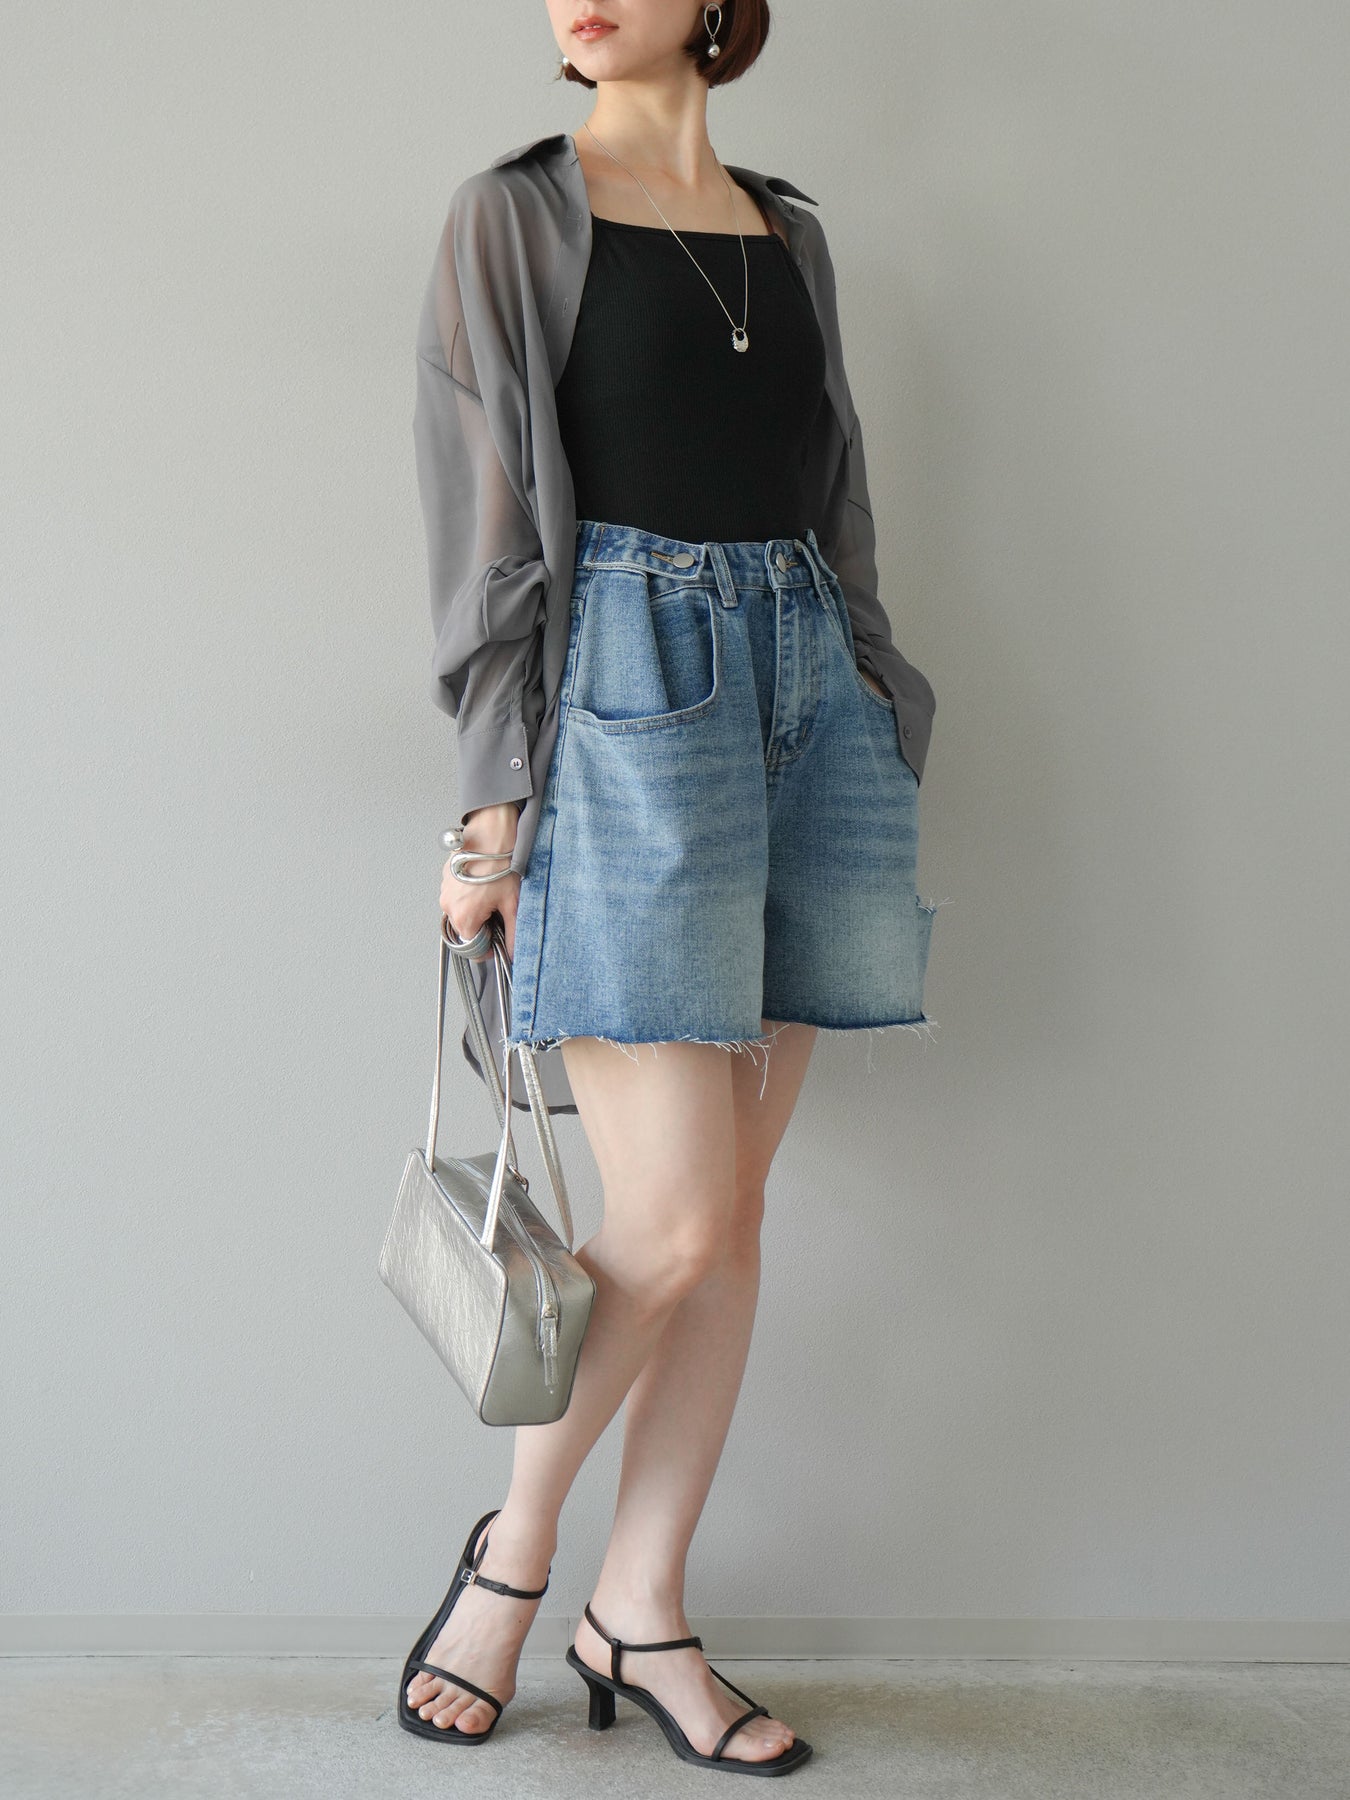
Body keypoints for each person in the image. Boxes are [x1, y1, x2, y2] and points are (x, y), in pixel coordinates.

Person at [401, 0, 938, 1776]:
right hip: (625, 701)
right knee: (680, 1217)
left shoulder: (790, 233)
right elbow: (484, 519)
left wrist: (874, 696)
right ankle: (514, 1560)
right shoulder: (511, 216)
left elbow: (832, 485)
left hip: (809, 698)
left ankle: (641, 1608)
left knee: (735, 1224)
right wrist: (493, 807)